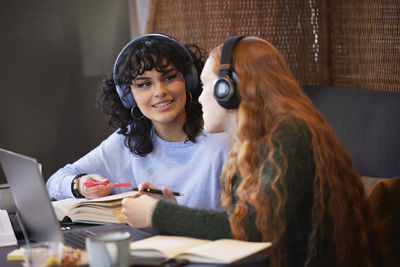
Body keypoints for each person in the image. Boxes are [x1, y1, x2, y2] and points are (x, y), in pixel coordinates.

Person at [122, 36, 379, 267]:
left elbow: (256, 227)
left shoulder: (291, 134)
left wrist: (159, 214)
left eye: (205, 85)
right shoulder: (252, 143)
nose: (199, 99)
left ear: (227, 90)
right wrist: (171, 209)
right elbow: (239, 223)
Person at [46, 34, 231, 210]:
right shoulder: (128, 139)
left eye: (169, 77)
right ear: (128, 97)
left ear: (189, 80)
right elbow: (54, 182)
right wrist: (79, 185)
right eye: (144, 84)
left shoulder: (221, 141)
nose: (159, 91)